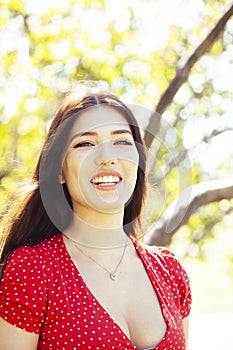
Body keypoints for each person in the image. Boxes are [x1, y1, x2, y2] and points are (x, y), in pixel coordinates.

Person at [0, 85, 191, 350]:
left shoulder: (170, 272)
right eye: (85, 143)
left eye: (122, 141)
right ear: (59, 171)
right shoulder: (32, 271)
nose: (107, 158)